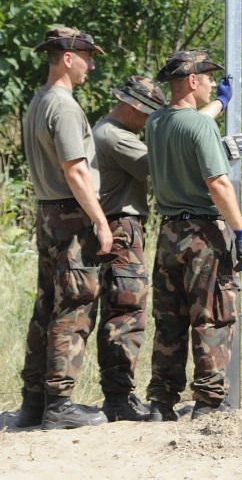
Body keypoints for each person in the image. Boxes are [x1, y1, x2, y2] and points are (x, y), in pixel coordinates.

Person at [143, 50, 242, 420]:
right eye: (207, 79)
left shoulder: (155, 122)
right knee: (213, 317)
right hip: (203, 235)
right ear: (192, 81)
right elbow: (218, 183)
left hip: (169, 232)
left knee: (170, 320)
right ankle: (208, 403)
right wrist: (240, 229)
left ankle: (160, 401)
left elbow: (188, 123)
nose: (210, 84)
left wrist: (220, 103)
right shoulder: (200, 127)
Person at [17, 27, 112, 430]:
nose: (91, 64)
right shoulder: (66, 107)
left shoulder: (38, 102)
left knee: (46, 305)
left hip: (46, 212)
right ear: (68, 58)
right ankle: (59, 403)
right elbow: (75, 171)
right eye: (87, 56)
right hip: (70, 215)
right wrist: (101, 220)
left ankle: (33, 402)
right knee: (73, 305)